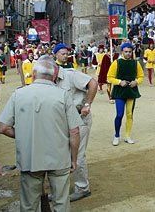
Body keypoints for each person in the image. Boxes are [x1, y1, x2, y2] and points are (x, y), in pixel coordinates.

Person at [0, 56, 83, 211]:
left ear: (34, 75)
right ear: (55, 76)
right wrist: (74, 158)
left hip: (30, 157)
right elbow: (75, 131)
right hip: (59, 157)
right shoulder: (63, 95)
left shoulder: (18, 94)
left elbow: (3, 127)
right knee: (61, 202)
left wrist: (25, 135)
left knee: (29, 204)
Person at [52, 53, 98, 202]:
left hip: (80, 118)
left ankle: (82, 188)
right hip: (62, 121)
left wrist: (87, 104)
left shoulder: (70, 75)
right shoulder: (48, 80)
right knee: (60, 154)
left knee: (77, 154)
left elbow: (93, 83)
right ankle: (60, 189)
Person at [107, 42, 144, 146]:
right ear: (122, 52)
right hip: (119, 91)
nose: (128, 53)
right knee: (119, 114)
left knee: (129, 114)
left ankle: (127, 136)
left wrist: (136, 82)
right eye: (126, 51)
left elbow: (141, 76)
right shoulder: (116, 63)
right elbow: (109, 77)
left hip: (131, 91)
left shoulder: (136, 63)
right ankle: (117, 135)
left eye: (130, 52)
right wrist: (119, 82)